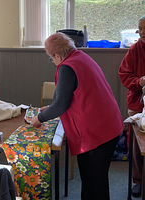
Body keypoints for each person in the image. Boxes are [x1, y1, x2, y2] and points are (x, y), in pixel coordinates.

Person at [31, 32, 124, 200]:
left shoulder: (67, 67)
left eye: (51, 58)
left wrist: (40, 118)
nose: (52, 62)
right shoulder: (81, 56)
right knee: (94, 181)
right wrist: (50, 108)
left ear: (57, 55)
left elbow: (61, 104)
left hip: (97, 133)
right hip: (108, 125)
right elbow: (74, 95)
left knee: (94, 184)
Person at [118, 15, 145, 198]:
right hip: (137, 103)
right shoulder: (135, 49)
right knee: (136, 146)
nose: (142, 32)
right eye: (140, 28)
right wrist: (140, 81)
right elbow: (124, 75)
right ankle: (138, 181)